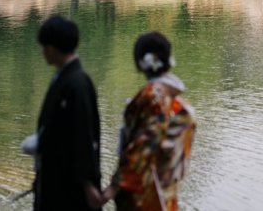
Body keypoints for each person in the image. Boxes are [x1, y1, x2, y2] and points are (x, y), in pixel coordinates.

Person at [102, 32, 196, 211]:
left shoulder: (153, 97)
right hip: (166, 189)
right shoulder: (177, 100)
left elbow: (145, 145)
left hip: (145, 192)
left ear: (140, 61)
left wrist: (113, 188)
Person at [27, 15, 103, 210]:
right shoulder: (63, 77)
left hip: (70, 185)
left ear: (51, 48)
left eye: (43, 47)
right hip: (54, 176)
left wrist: (88, 184)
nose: (42, 52)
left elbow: (84, 136)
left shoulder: (78, 83)